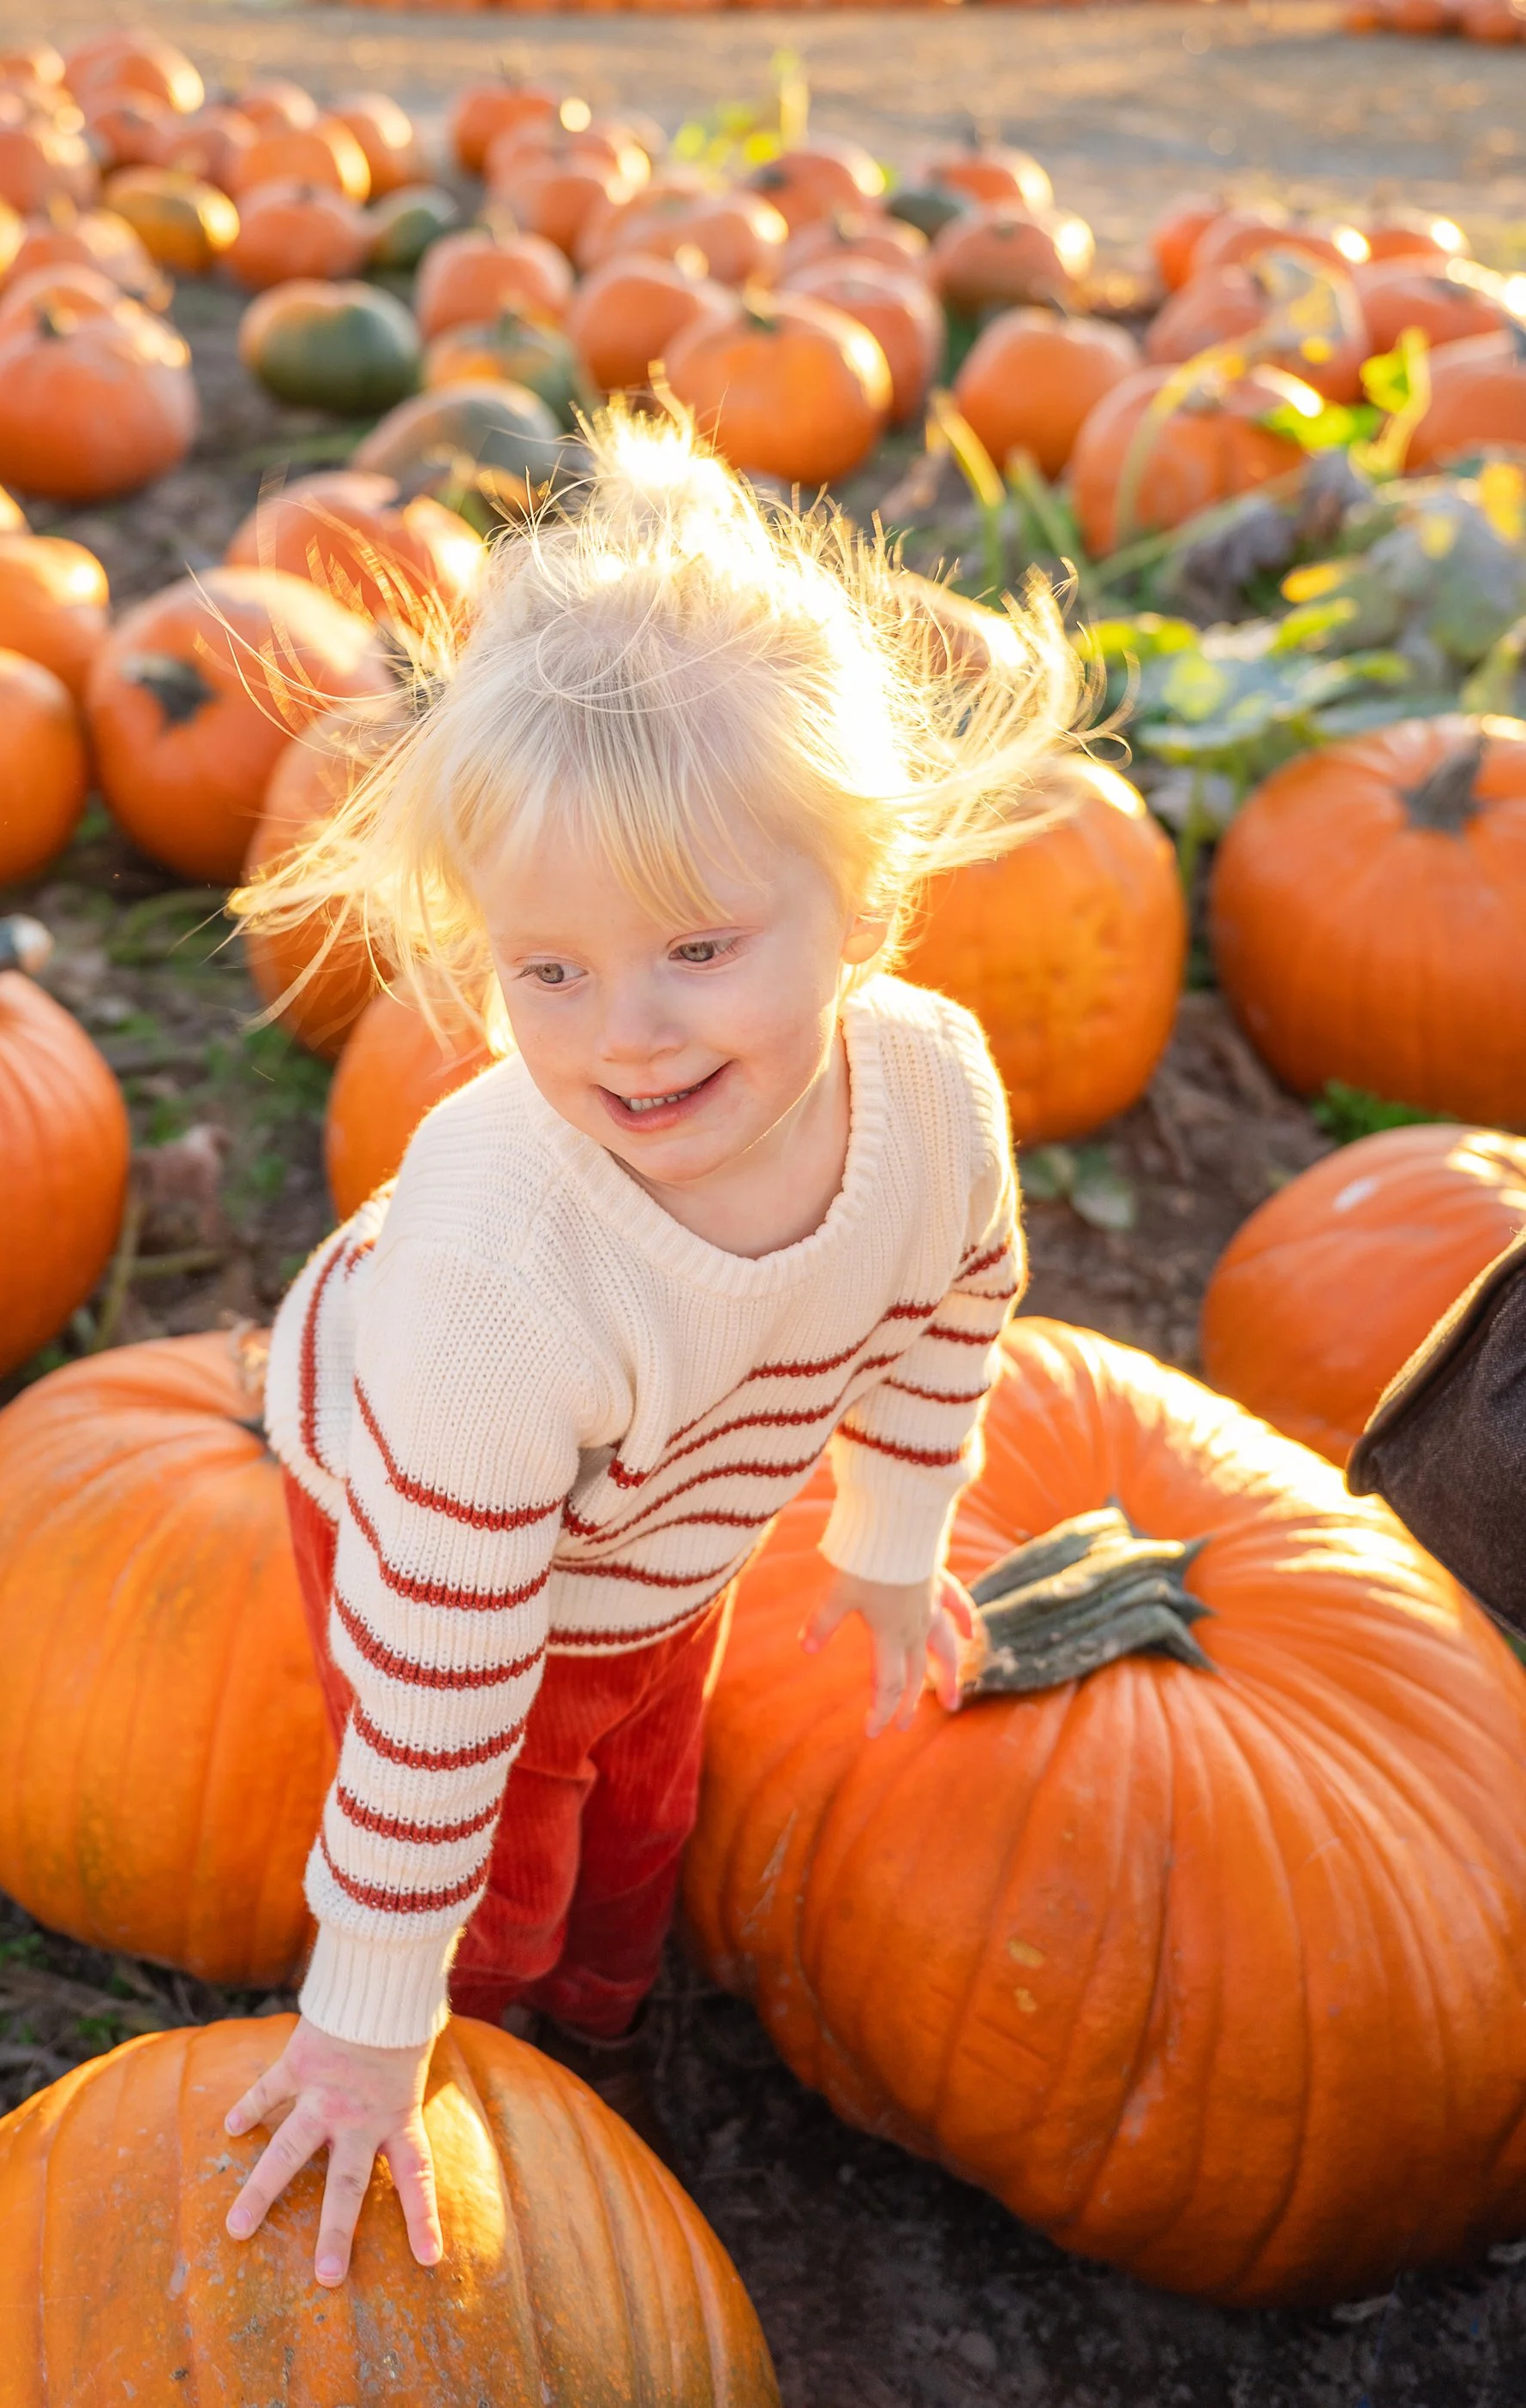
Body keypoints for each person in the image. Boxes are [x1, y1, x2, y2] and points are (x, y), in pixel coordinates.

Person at [221, 405, 1080, 2289]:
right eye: (548, 969)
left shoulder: (925, 1092)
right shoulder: (496, 1272)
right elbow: (434, 1693)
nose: (625, 1036)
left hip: (650, 1515)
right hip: (431, 1504)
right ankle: (508, 2077)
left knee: (653, 1785)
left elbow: (954, 1304)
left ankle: (619, 2017)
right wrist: (368, 2013)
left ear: (860, 902)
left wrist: (883, 1544)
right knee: (507, 1846)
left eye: (696, 949)